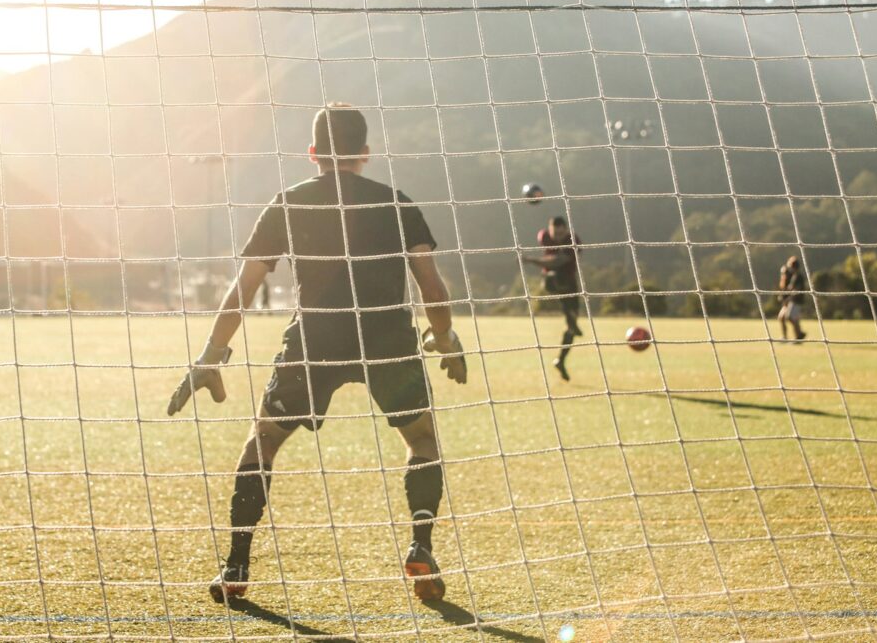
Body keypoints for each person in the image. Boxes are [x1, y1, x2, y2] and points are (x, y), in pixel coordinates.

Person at [166, 104, 467, 604]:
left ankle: (237, 566)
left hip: (315, 340)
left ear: (313, 154)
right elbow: (431, 286)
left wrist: (211, 354)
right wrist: (447, 338)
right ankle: (421, 546)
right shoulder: (396, 203)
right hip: (387, 336)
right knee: (420, 438)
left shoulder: (288, 203)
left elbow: (242, 289)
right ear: (365, 154)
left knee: (262, 443)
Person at [522, 217, 583, 382]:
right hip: (552, 281)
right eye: (555, 233)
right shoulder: (544, 236)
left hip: (569, 283)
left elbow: (558, 261)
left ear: (566, 231)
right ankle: (571, 321)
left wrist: (531, 260)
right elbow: (552, 266)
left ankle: (561, 360)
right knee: (555, 277)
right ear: (550, 230)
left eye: (561, 234)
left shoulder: (572, 240)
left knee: (571, 328)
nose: (557, 237)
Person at [778, 255, 808, 342]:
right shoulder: (794, 276)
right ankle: (791, 336)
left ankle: (799, 336)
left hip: (796, 301)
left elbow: (796, 290)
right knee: (783, 317)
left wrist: (787, 299)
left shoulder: (798, 276)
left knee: (791, 317)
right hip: (792, 301)